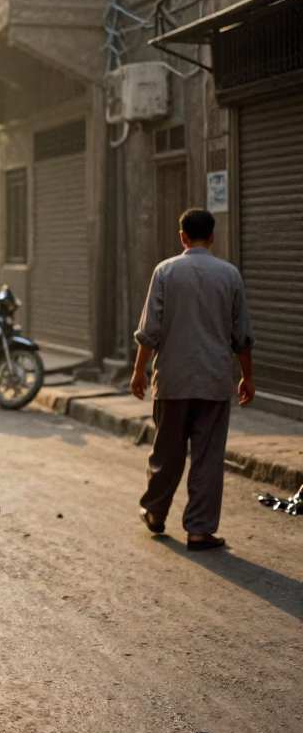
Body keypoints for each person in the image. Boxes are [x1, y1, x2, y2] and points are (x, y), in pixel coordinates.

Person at [131, 208, 255, 551]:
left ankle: (155, 513)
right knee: (208, 457)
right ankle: (199, 530)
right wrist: (247, 377)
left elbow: (149, 332)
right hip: (214, 381)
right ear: (212, 237)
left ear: (182, 236)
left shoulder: (166, 271)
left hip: (172, 380)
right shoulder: (230, 275)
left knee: (166, 452)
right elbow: (241, 336)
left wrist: (139, 371)